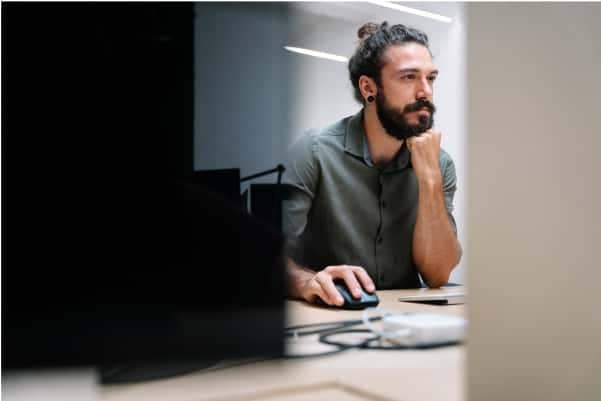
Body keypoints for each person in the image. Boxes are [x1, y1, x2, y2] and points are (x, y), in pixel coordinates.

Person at [282, 22, 462, 307]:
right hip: (330, 314)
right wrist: (307, 281)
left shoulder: (440, 163)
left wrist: (429, 180)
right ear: (369, 87)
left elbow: (437, 274)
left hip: (405, 320)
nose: (425, 92)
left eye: (431, 78)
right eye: (408, 78)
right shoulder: (314, 152)